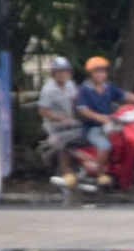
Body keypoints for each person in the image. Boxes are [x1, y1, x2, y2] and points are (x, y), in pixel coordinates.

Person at [73, 56, 134, 188]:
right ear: (91, 73)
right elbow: (82, 109)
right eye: (96, 71)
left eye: (102, 71)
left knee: (125, 142)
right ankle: (100, 175)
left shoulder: (108, 87)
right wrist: (99, 117)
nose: (100, 74)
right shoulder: (84, 89)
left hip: (110, 125)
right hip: (93, 128)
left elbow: (125, 95)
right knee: (105, 146)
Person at [37, 57, 102, 190]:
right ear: (54, 73)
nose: (63, 74)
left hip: (70, 122)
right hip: (54, 125)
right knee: (65, 141)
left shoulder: (70, 84)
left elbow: (77, 100)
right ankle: (66, 173)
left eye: (65, 71)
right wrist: (59, 118)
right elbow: (43, 112)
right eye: (59, 71)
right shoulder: (48, 90)